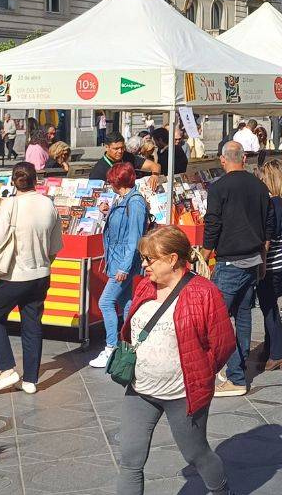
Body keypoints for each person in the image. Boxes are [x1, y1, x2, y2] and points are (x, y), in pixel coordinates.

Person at [116, 226, 235, 495]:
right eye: (143, 258)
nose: (144, 265)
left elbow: (223, 343)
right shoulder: (146, 286)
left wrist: (198, 371)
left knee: (196, 454)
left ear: (171, 259)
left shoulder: (203, 293)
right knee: (130, 459)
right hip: (140, 389)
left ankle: (221, 490)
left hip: (183, 394)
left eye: (150, 259)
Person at [0, 162, 62, 394]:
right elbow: (55, 246)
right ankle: (31, 380)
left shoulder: (10, 204)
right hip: (41, 274)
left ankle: (6, 370)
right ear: (36, 179)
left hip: (14, 274)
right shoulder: (48, 204)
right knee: (32, 323)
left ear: (13, 180)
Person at [202, 141, 270, 397]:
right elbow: (267, 226)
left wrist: (204, 253)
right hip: (252, 258)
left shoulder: (219, 187)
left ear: (223, 160)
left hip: (230, 262)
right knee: (242, 318)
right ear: (243, 158)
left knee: (218, 320)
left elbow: (213, 223)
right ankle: (236, 373)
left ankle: (233, 375)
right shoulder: (259, 186)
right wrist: (262, 258)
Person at [89, 163, 148, 369]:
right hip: (118, 258)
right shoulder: (123, 199)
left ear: (117, 182)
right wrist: (107, 213)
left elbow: (134, 239)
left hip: (124, 261)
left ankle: (112, 347)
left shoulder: (135, 203)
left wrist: (124, 268)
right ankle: (128, 344)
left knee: (106, 302)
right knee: (125, 302)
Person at [256, 160, 282, 372]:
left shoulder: (273, 205)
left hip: (273, 262)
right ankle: (270, 345)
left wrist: (261, 262)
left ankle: (279, 352)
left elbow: (267, 239)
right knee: (269, 304)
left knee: (269, 307)